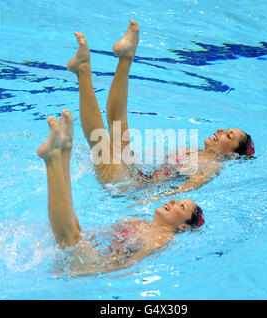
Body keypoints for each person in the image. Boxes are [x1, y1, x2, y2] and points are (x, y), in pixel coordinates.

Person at [66, 19, 255, 200]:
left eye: (228, 136)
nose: (219, 131)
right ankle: (126, 56)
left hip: (127, 189)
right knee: (119, 127)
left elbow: (188, 188)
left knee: (99, 141)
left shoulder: (212, 166)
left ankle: (83, 70)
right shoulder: (192, 150)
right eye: (225, 130)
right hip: (137, 177)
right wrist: (127, 155)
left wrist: (151, 200)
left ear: (231, 154)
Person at [37, 110, 204, 275]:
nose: (172, 202)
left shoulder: (161, 240)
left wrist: (88, 271)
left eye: (181, 207)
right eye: (176, 201)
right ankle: (63, 150)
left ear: (183, 226)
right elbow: (99, 236)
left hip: (94, 265)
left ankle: (54, 159)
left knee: (69, 237)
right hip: (92, 255)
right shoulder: (141, 223)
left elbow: (128, 266)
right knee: (73, 228)